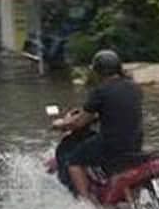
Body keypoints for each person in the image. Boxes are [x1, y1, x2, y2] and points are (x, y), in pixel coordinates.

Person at [53, 50, 143, 201]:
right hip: (135, 143)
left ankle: (86, 204)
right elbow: (117, 110)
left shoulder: (101, 91)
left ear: (98, 71)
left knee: (74, 161)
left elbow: (79, 122)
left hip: (111, 144)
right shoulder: (134, 88)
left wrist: (60, 124)